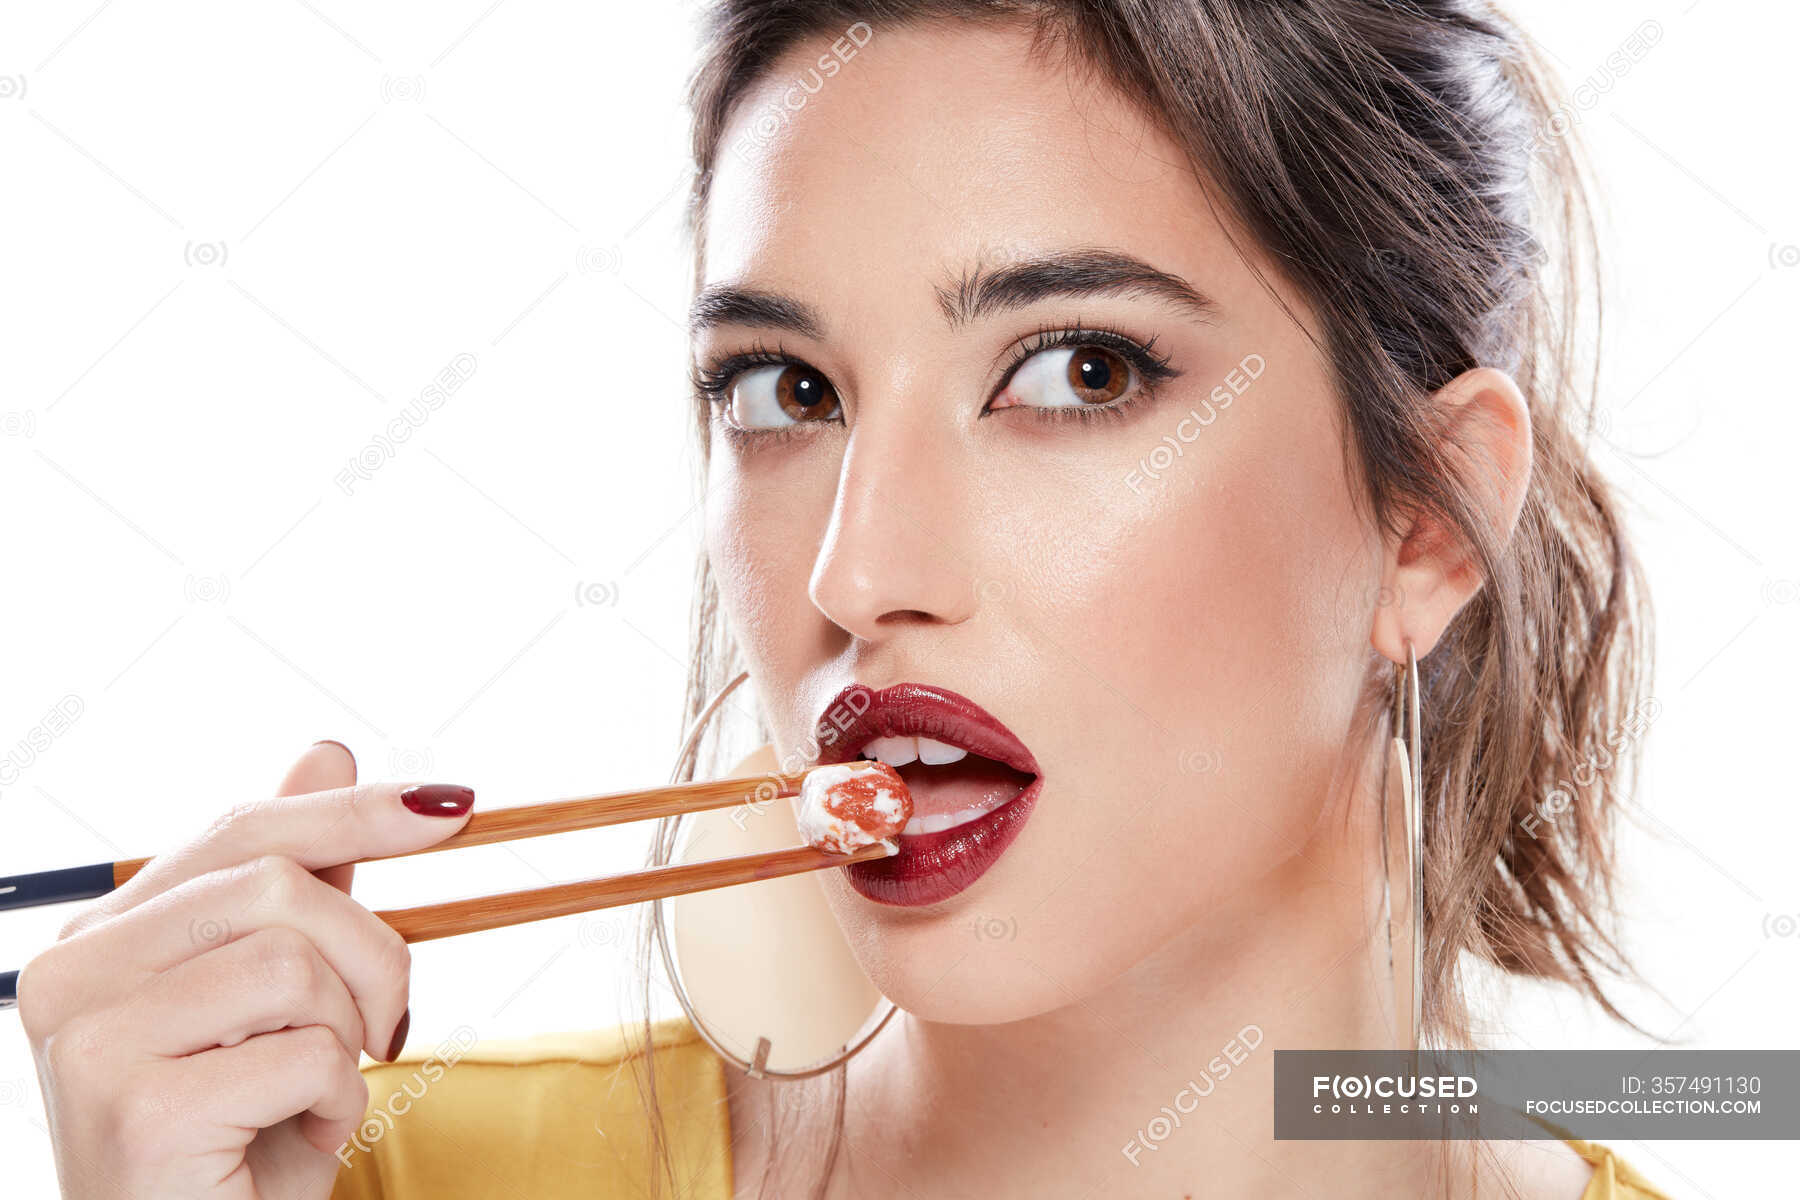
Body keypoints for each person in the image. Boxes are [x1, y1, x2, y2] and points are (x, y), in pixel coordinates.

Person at [17, 2, 1682, 1196]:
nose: (855, 571)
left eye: (1077, 369)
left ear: (1428, 520)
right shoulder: (363, 1182)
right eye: (784, 391)